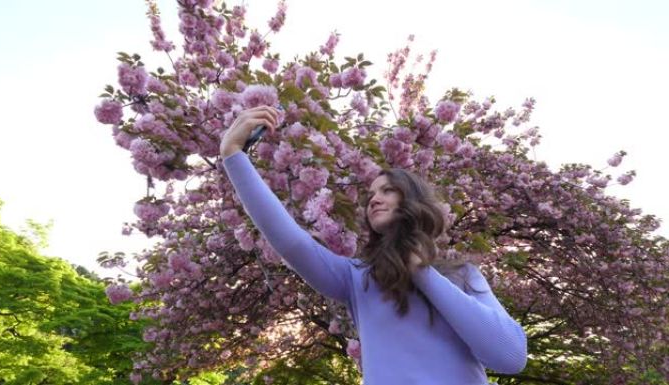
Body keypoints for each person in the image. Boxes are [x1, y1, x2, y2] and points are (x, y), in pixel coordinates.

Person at [220, 106, 528, 385]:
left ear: (413, 202)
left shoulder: (463, 275)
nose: (374, 199)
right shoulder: (357, 278)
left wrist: (422, 273)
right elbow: (291, 241)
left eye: (388, 190)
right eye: (371, 194)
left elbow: (510, 357)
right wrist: (233, 155)